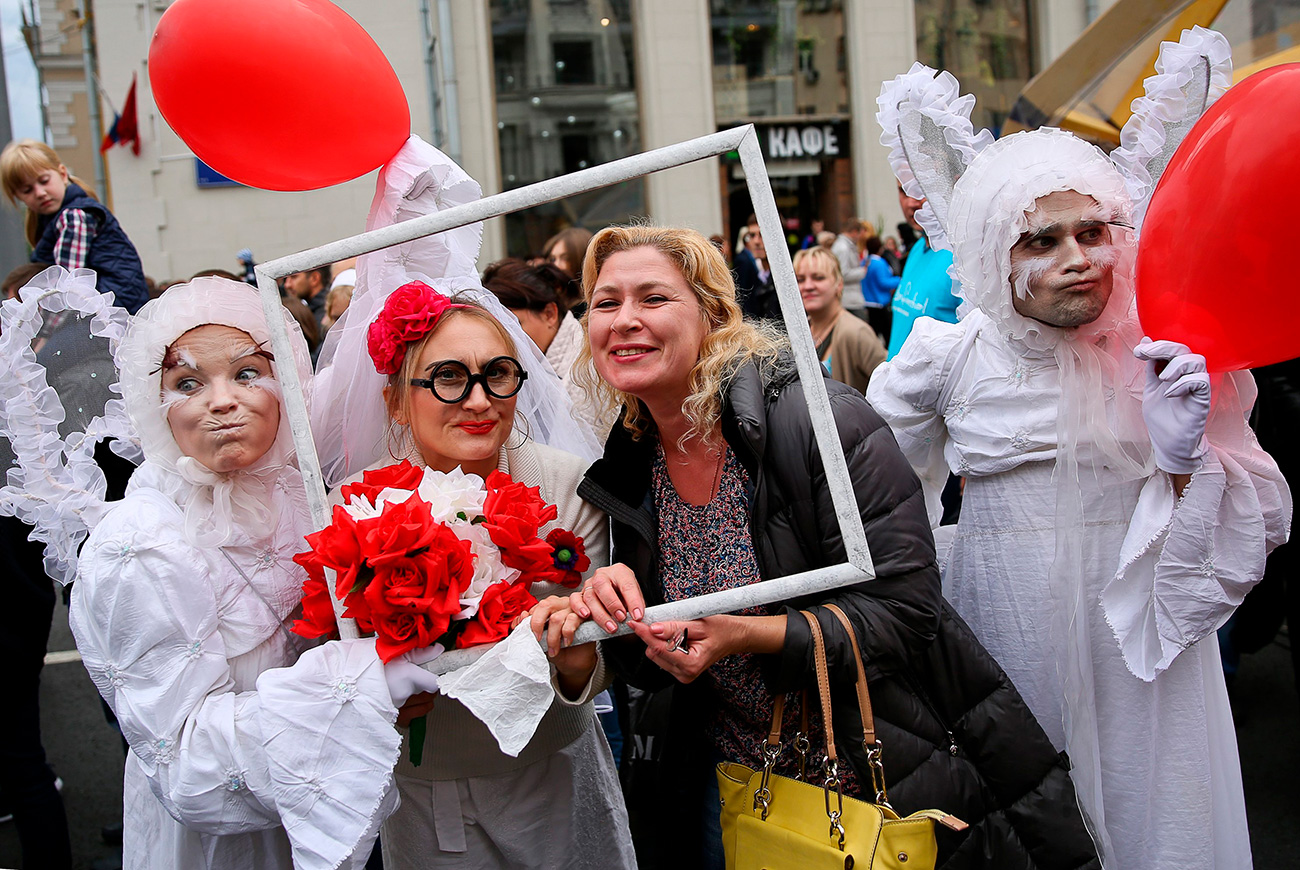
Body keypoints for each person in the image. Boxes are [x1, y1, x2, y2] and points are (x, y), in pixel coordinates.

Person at [536, 224, 1099, 870]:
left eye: (653, 299)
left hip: (875, 788)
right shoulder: (631, 457)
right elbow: (656, 660)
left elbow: (908, 613)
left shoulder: (816, 421)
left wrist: (749, 635)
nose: (625, 320)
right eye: (606, 303)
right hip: (738, 795)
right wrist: (604, 630)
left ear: (714, 314)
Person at [867, 60, 1289, 870]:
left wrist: (1184, 461)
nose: (1076, 258)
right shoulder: (946, 359)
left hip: (1147, 660)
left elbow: (1252, 529)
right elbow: (867, 499)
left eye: (1095, 232)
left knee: (1152, 820)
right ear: (996, 252)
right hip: (1003, 645)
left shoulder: (1168, 354)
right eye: (1042, 239)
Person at [67, 276, 434, 870]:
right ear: (152, 406)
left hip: (338, 813)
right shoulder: (139, 542)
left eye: (246, 373)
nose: (221, 401)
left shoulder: (302, 492)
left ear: (286, 383)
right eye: (187, 382)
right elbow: (184, 761)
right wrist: (353, 693)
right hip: (225, 847)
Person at [325, 279, 635, 869]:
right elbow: (338, 656)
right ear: (396, 399)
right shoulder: (354, 507)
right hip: (424, 792)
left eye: (497, 373)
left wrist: (578, 651)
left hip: (554, 776)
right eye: (447, 377)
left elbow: (597, 660)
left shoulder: (571, 484)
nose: (478, 400)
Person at [1, 139, 149, 314]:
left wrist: (47, 336)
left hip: (112, 312)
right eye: (27, 190)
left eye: (44, 181)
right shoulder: (56, 219)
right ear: (18, 197)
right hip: (113, 309)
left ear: (63, 174)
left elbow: (67, 290)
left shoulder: (74, 218)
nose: (40, 193)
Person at [483, 257, 615, 439]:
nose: (507, 338)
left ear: (549, 314)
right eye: (497, 329)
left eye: (515, 325)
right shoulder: (516, 372)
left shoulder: (590, 369)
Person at [885, 183, 961, 360]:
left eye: (920, 189)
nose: (911, 202)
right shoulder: (918, 249)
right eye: (903, 191)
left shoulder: (962, 256)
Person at [795, 246, 885, 393]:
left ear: (839, 284)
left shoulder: (856, 332)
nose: (808, 286)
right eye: (800, 279)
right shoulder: (798, 331)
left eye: (819, 278)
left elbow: (892, 389)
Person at [730, 214, 776, 319]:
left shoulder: (786, 277)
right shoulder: (761, 275)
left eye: (762, 235)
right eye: (752, 235)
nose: (756, 241)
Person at [860, 236, 901, 345]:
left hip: (868, 301)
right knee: (887, 336)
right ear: (880, 248)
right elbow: (883, 282)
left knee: (873, 334)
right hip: (880, 302)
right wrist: (900, 280)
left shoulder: (865, 261)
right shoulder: (880, 263)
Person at [542, 226, 593, 312]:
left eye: (565, 258)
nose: (556, 265)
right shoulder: (551, 300)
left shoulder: (589, 307)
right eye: (552, 259)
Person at [830, 217, 869, 319]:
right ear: (855, 232)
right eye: (861, 233)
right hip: (849, 300)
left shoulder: (844, 245)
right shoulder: (844, 248)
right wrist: (862, 271)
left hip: (849, 298)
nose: (861, 237)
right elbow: (843, 273)